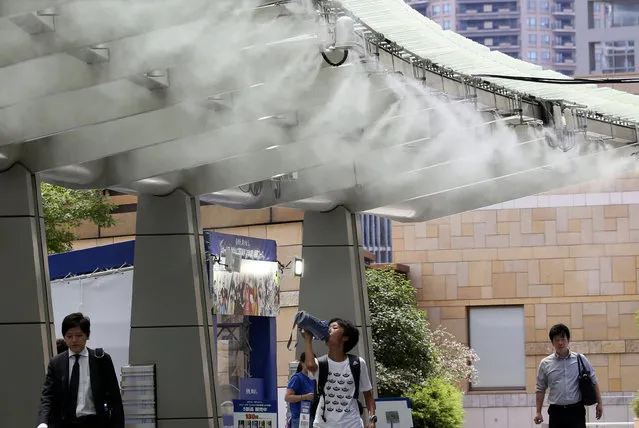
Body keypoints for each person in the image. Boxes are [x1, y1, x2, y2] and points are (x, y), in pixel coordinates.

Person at [37, 312, 125, 428]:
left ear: (87, 335)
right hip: (65, 422)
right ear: (64, 336)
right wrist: (43, 422)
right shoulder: (56, 363)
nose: (74, 340)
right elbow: (47, 396)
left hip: (95, 422)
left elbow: (115, 399)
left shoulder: (101, 359)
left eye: (79, 335)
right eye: (69, 336)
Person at [303, 318, 376, 428]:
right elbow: (310, 366)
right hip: (323, 425)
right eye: (329, 327)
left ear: (345, 338)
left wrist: (372, 419)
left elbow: (368, 395)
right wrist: (307, 340)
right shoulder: (321, 363)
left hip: (351, 424)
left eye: (334, 327)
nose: (329, 330)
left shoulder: (357, 363)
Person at [534, 323, 603, 427]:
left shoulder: (580, 359)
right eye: (556, 340)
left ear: (568, 340)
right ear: (552, 342)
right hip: (556, 412)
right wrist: (538, 412)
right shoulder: (545, 363)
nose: (560, 343)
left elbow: (594, 381)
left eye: (563, 339)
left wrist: (600, 403)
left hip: (576, 411)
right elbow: (540, 388)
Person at [285, 352, 316, 428]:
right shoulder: (297, 378)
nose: (310, 365)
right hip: (300, 418)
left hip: (313, 417)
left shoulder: (314, 378)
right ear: (302, 363)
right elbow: (287, 397)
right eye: (308, 362)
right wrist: (305, 397)